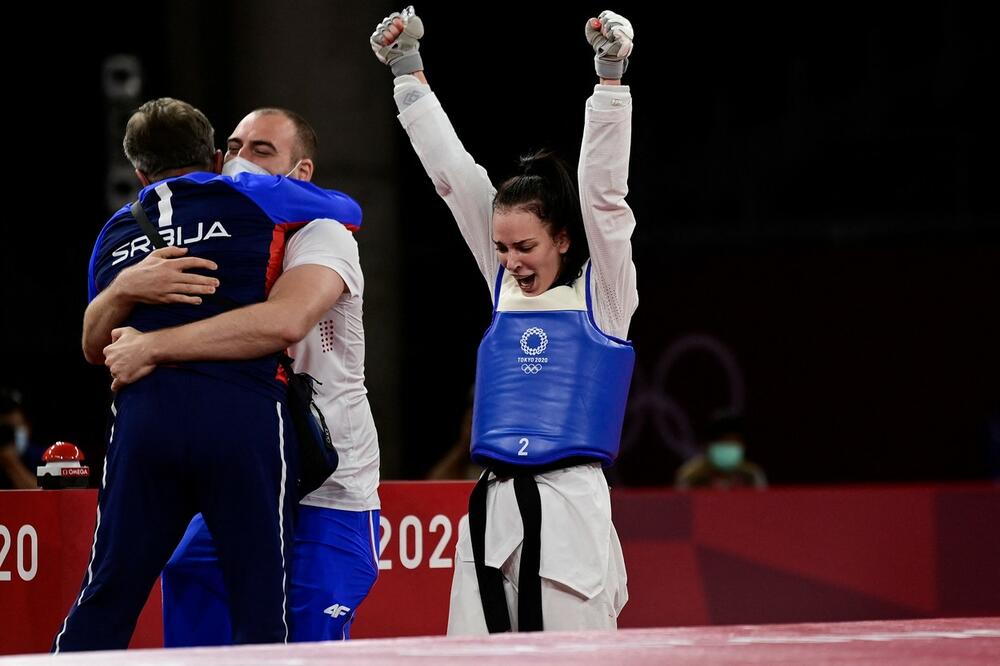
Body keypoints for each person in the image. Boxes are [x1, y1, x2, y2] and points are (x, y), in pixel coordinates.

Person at [54, 98, 360, 652]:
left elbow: (94, 347)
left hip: (146, 424)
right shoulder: (258, 197)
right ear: (218, 156)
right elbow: (349, 209)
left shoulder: (118, 229)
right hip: (242, 419)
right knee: (260, 607)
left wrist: (128, 293)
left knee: (107, 598)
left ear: (140, 173)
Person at [371, 8, 638, 633]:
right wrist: (407, 72)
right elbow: (454, 176)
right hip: (491, 512)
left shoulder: (607, 298)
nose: (511, 263)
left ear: (564, 240)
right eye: (502, 248)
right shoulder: (502, 287)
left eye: (527, 249)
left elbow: (603, 194)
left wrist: (609, 79)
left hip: (571, 510)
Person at [675, 411, 767, 489]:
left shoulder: (752, 476)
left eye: (734, 441)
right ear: (708, 445)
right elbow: (681, 508)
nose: (729, 446)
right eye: (724, 441)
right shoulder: (691, 477)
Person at [0, 388, 44, 489]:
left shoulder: (42, 457)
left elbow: (45, 498)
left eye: (11, 431)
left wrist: (12, 464)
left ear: (28, 427)